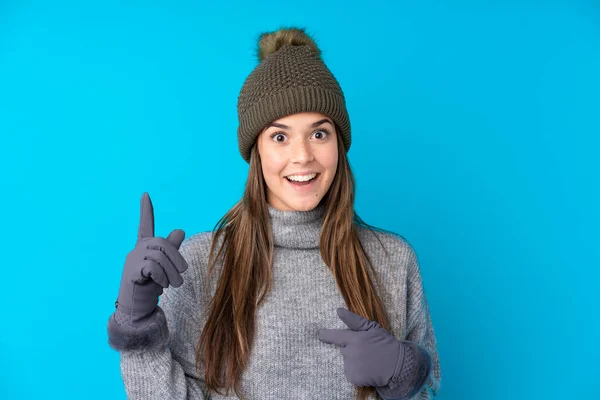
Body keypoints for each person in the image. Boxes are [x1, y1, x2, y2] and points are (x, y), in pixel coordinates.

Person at [107, 27, 442, 400]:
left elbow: (426, 392)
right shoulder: (201, 264)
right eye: (280, 137)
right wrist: (136, 327)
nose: (302, 156)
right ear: (257, 151)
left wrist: (404, 375)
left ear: (339, 145)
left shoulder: (393, 261)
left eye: (319, 134)